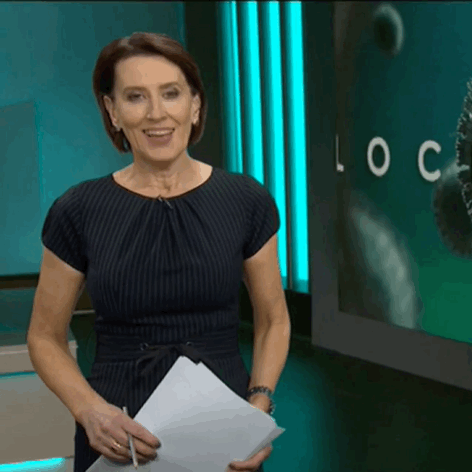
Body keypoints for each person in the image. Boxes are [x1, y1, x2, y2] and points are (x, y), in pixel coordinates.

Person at [26, 32, 286, 472]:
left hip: (224, 427)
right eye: (135, 97)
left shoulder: (246, 200)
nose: (156, 113)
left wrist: (258, 409)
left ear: (195, 105)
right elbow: (44, 337)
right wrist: (90, 411)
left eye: (171, 94)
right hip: (116, 426)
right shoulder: (78, 210)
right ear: (112, 111)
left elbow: (274, 320)